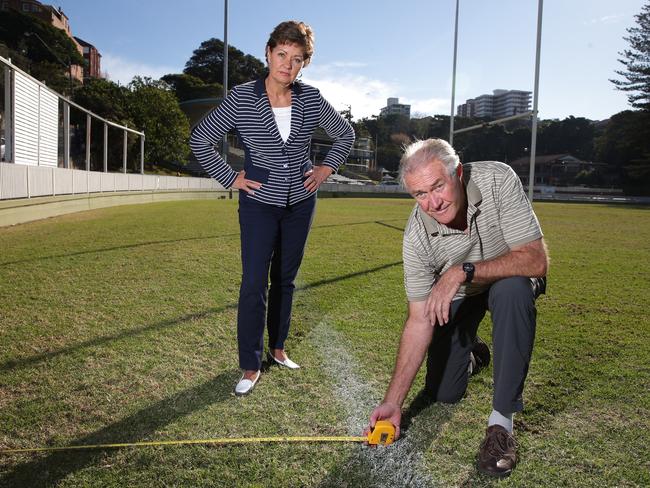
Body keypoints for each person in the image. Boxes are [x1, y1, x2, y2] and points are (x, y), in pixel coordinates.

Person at [190, 21, 354, 397]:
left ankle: (278, 349)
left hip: (300, 203)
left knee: (285, 279)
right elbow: (201, 139)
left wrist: (326, 166)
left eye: (297, 59)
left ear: (304, 64)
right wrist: (230, 177)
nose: (288, 65)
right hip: (258, 204)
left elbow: (345, 133)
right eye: (282, 55)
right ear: (268, 53)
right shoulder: (242, 98)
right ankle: (251, 363)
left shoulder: (311, 98)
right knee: (254, 283)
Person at [367, 139, 548, 478]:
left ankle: (501, 426)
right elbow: (419, 318)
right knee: (443, 393)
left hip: (508, 279)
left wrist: (462, 270)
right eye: (420, 194)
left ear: (458, 174)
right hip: (465, 293)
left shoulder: (498, 180)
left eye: (438, 186)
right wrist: (393, 402)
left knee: (512, 291)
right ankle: (474, 354)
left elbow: (536, 261)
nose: (433, 202)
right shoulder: (416, 237)